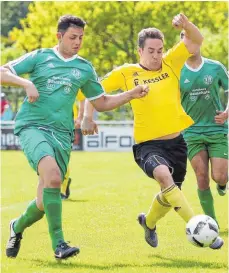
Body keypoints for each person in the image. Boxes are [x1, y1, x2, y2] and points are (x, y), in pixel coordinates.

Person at [1, 15, 149, 260]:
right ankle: (59, 244)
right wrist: (25, 83)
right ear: (59, 36)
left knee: (43, 200)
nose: (77, 42)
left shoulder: (84, 68)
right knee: (53, 175)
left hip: (62, 134)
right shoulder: (40, 57)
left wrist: (130, 94)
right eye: (72, 37)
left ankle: (16, 227)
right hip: (32, 126)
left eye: (81, 37)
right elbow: (2, 71)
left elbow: (101, 102)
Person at [82, 14, 223, 250]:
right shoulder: (126, 73)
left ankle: (148, 223)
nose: (156, 55)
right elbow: (94, 90)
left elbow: (197, 40)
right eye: (151, 51)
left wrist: (186, 25)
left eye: (159, 50)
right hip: (148, 145)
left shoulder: (171, 62)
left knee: (169, 194)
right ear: (140, 51)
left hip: (177, 143)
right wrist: (87, 116)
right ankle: (198, 226)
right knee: (164, 177)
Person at [180, 31, 228, 228]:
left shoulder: (215, 67)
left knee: (219, 176)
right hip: (191, 133)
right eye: (185, 39)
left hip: (217, 130)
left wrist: (226, 112)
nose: (189, 43)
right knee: (201, 176)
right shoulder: (176, 71)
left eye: (193, 39)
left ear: (199, 41)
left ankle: (223, 183)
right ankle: (212, 223)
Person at [60, 93, 85, 200]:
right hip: (48, 122)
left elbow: (82, 99)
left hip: (67, 123)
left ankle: (62, 189)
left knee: (63, 158)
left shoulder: (74, 77)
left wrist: (79, 117)